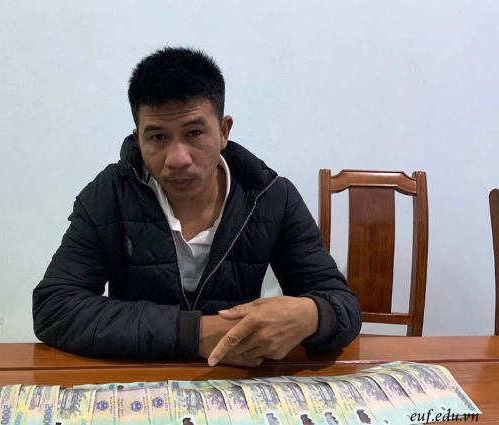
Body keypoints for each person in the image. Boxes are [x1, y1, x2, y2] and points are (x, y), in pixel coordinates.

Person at [32, 46, 361, 367]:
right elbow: (55, 308)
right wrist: (195, 333)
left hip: (239, 378)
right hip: (137, 377)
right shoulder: (109, 195)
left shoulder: (271, 196)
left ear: (224, 131)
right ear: (138, 139)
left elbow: (342, 305)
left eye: (194, 132)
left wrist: (313, 315)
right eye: (158, 137)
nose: (178, 159)